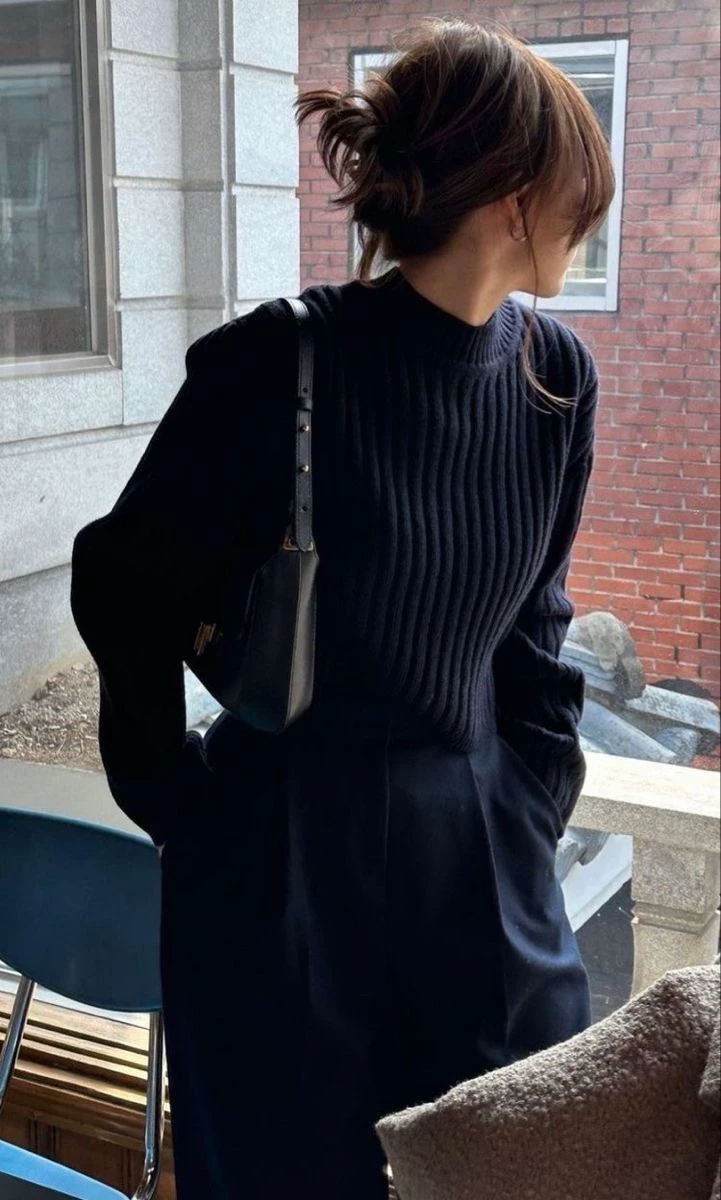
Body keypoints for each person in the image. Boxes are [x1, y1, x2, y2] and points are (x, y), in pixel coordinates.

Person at [70, 19, 615, 1200]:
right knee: (282, 1171)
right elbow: (121, 579)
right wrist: (179, 807)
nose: (593, 213)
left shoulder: (555, 380)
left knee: (503, 1162)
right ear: (511, 196)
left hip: (477, 851)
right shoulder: (277, 363)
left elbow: (537, 627)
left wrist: (528, 803)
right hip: (278, 856)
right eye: (581, 185)